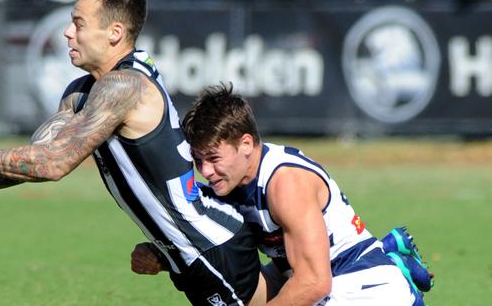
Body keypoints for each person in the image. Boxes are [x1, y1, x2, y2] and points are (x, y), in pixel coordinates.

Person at [0, 0, 271, 306]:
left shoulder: (125, 86)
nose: (67, 32)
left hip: (213, 248)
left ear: (114, 33)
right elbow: (34, 158)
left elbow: (54, 164)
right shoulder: (83, 91)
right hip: (188, 254)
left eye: (79, 23)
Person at [132, 84, 432, 306]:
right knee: (226, 286)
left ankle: (392, 265)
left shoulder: (285, 183)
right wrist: (160, 253)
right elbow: (203, 244)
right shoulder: (228, 183)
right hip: (300, 273)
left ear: (246, 144)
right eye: (198, 160)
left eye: (213, 158)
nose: (205, 171)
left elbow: (314, 283)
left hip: (358, 277)